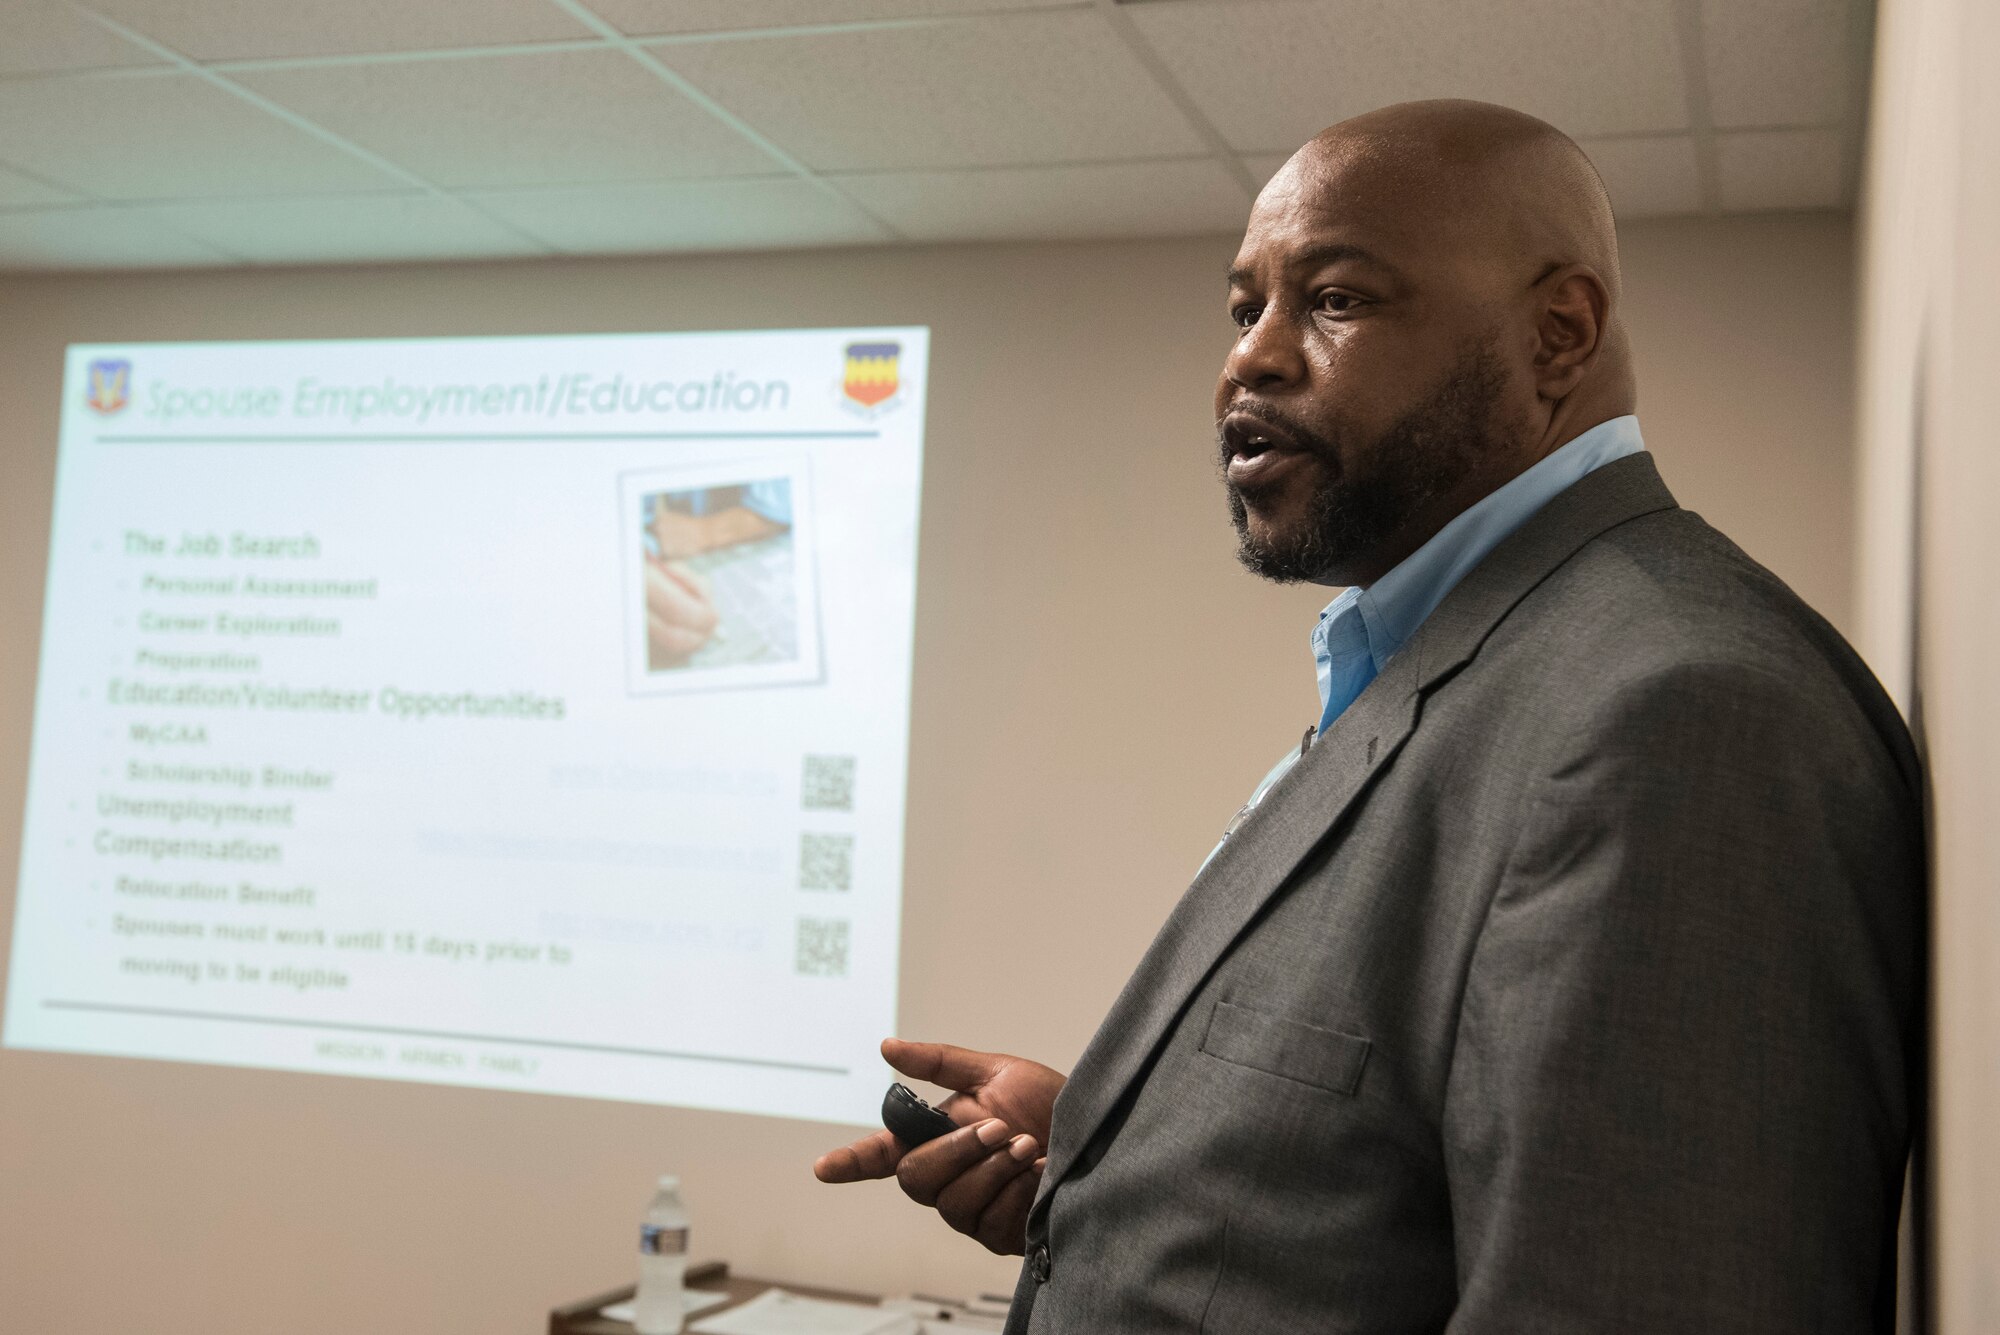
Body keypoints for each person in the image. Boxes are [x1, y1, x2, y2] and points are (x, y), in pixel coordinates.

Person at [814, 99, 1922, 1332]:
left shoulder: (1671, 714)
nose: (1252, 357)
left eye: (1333, 300)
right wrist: (1104, 1177)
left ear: (1558, 335)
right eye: (1245, 308)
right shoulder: (1449, 656)